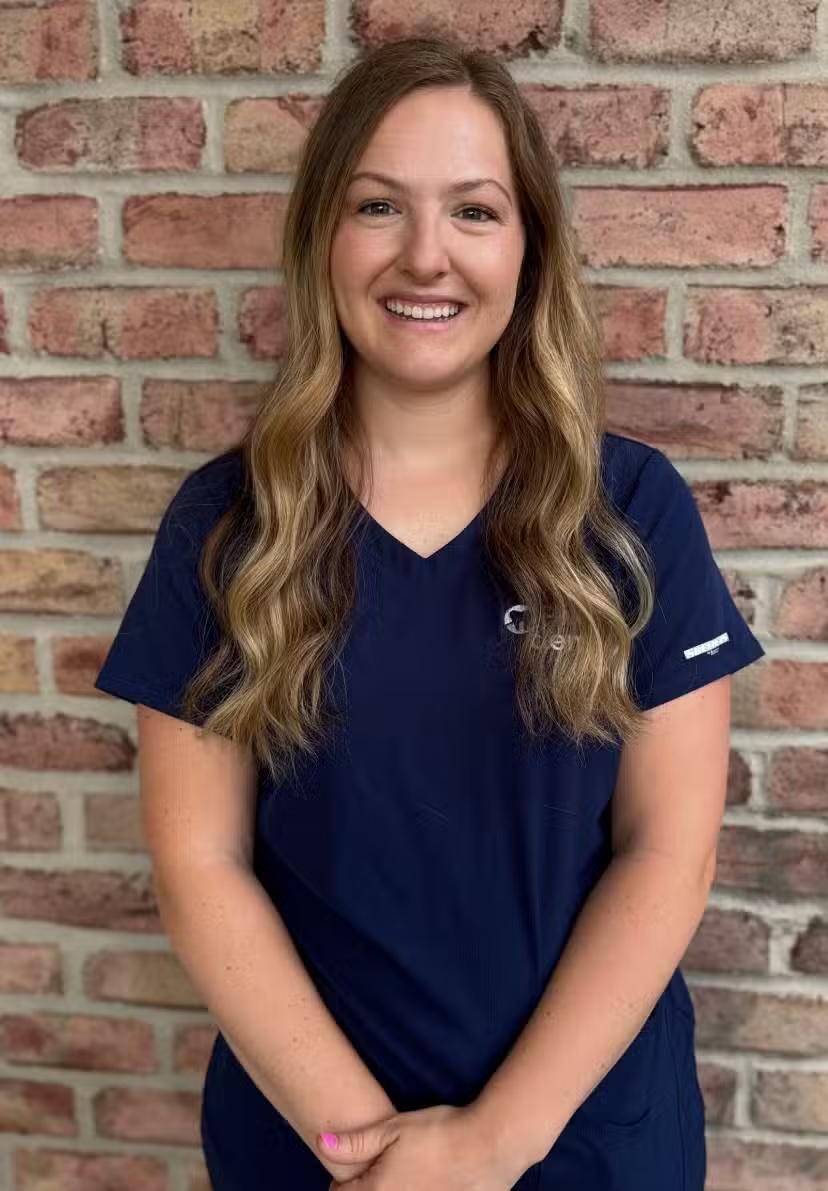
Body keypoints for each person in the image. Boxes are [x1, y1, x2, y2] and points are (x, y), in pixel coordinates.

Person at [94, 32, 765, 1191]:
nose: (425, 256)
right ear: (321, 237)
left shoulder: (631, 509)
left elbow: (668, 850)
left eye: (474, 211)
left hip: (586, 1140)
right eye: (377, 206)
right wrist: (370, 1157)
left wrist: (490, 1146)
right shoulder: (226, 525)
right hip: (316, 1146)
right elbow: (201, 862)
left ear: (528, 247)